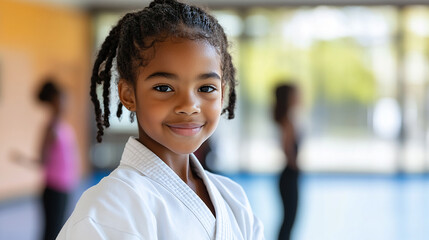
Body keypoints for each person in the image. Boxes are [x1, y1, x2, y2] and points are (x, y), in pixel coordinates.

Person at [57, 0, 264, 239]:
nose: (189, 106)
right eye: (164, 87)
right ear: (128, 94)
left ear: (223, 93)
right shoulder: (110, 208)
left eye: (206, 88)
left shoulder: (233, 198)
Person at [36, 79, 80, 240]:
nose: (66, 103)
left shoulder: (62, 125)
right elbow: (42, 158)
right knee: (52, 233)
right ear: (55, 101)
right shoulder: (51, 128)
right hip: (54, 189)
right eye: (63, 99)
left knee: (59, 231)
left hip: (65, 187)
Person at [273, 84, 300, 240]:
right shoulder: (287, 122)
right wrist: (295, 165)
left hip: (289, 176)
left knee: (288, 219)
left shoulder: (287, 120)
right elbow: (287, 149)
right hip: (289, 176)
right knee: (289, 219)